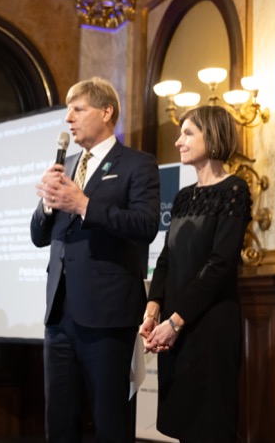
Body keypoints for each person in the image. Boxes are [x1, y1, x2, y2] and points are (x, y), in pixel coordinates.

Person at [31, 77, 161, 443]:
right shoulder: (67, 166)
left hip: (107, 314)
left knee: (110, 422)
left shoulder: (137, 164)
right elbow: (39, 236)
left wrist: (84, 205)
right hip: (59, 315)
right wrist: (46, 205)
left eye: (78, 109)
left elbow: (145, 225)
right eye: (67, 111)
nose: (68, 119)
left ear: (106, 112)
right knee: (59, 423)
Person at [140, 105, 251, 443]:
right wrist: (153, 311)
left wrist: (175, 322)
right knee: (182, 426)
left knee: (210, 428)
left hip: (210, 328)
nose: (178, 142)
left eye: (188, 133)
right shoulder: (183, 197)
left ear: (212, 136)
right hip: (174, 327)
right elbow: (166, 258)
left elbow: (220, 264)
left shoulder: (234, 189)